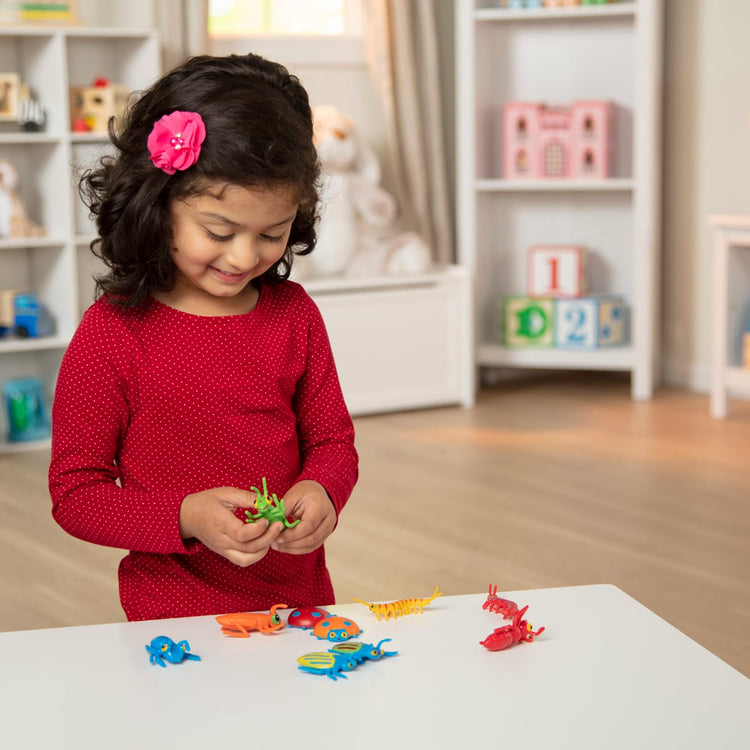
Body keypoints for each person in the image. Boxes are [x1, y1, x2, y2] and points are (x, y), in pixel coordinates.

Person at [48, 53, 358, 621]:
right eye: (219, 231)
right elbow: (75, 494)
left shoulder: (294, 315)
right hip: (174, 614)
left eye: (272, 233)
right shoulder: (112, 335)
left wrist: (323, 493)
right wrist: (185, 516)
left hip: (299, 606)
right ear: (157, 205)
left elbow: (333, 443)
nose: (244, 256)